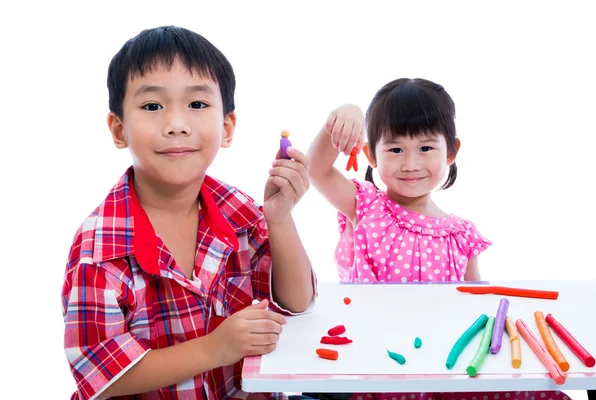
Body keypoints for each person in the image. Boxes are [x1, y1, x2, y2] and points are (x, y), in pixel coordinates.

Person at [61, 25, 316, 400]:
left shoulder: (239, 211)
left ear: (227, 128)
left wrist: (279, 219)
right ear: (119, 130)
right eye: (152, 106)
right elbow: (102, 377)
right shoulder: (99, 247)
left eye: (197, 105)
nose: (176, 125)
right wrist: (215, 348)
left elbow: (296, 302)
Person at [306, 78, 568, 400]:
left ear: (451, 152)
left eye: (426, 148)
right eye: (395, 149)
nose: (410, 163)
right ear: (371, 155)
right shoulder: (365, 206)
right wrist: (344, 116)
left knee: (546, 393)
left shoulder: (462, 234)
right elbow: (316, 170)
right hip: (377, 364)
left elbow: (478, 304)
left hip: (446, 367)